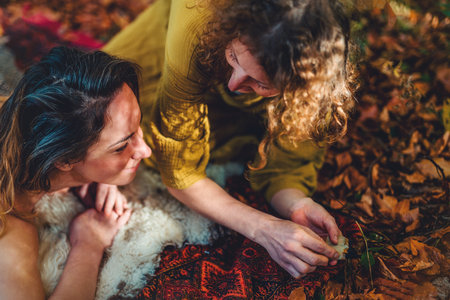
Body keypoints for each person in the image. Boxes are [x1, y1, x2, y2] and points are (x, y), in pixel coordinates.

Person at [104, 0, 354, 278]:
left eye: (260, 83)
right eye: (235, 57)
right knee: (108, 126)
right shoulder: (197, 17)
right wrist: (264, 228)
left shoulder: (306, 70)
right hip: (159, 66)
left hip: (235, 107)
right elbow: (179, 171)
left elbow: (288, 164)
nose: (235, 83)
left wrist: (296, 204)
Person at [0, 46, 152, 300]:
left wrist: (102, 172)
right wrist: (89, 244)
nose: (145, 151)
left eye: (137, 129)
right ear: (65, 158)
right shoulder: (11, 232)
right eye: (122, 146)